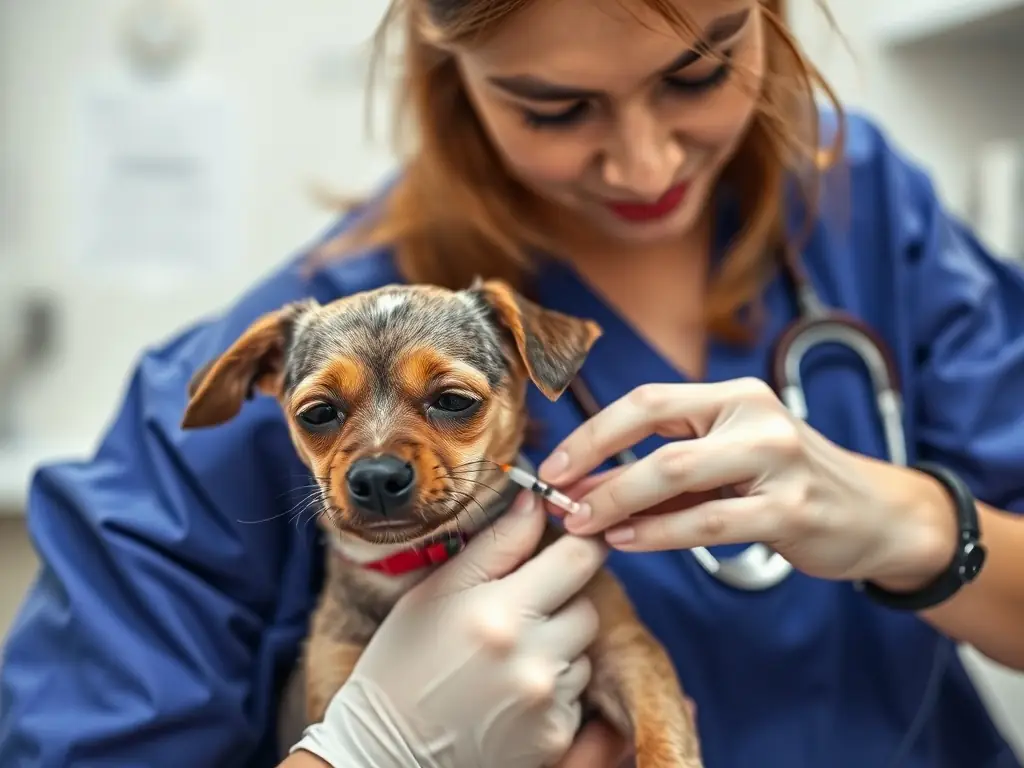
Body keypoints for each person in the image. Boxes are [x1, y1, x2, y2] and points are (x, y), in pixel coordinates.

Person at [2, 0, 1024, 765]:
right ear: (447, 54)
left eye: (700, 71)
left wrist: (919, 526)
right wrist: (368, 749)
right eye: (555, 106)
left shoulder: (862, 202)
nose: (643, 162)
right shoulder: (279, 351)